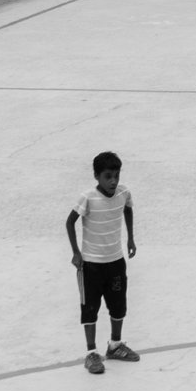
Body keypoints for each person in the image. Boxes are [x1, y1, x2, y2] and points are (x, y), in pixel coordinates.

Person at [65, 151, 137, 375]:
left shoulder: (124, 192)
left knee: (118, 305)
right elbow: (70, 222)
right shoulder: (88, 197)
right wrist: (76, 252)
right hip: (91, 265)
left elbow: (128, 210)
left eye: (116, 175)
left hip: (115, 261)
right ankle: (92, 353)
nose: (113, 181)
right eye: (108, 176)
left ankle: (115, 345)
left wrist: (131, 238)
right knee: (90, 309)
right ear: (97, 176)